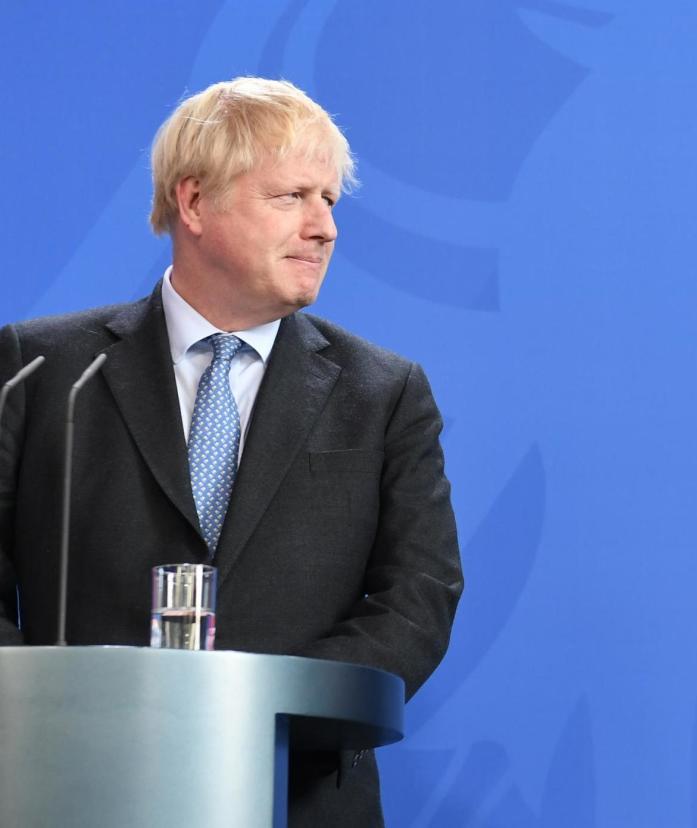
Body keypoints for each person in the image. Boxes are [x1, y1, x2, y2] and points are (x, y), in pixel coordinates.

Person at [0, 77, 463, 826]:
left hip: (297, 794)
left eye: (330, 201)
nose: (324, 228)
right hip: (73, 787)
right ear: (193, 204)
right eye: (291, 197)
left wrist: (258, 715)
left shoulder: (385, 394)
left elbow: (418, 600)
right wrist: (46, 710)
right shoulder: (43, 369)